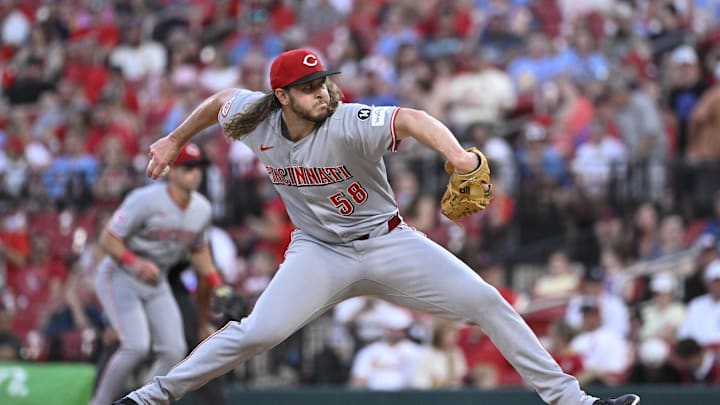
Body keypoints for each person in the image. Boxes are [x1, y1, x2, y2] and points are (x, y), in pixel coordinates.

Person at [116, 48, 639, 405]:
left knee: (487, 302)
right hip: (317, 252)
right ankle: (151, 396)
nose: (323, 92)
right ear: (282, 97)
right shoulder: (255, 118)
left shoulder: (346, 120)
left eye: (324, 81)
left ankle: (574, 401)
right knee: (259, 332)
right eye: (309, 87)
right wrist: (173, 138)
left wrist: (457, 156)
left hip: (387, 242)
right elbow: (217, 101)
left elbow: (410, 118)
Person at [91, 143, 228, 405]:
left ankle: (141, 401)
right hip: (121, 274)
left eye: (198, 168)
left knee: (174, 349)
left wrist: (217, 285)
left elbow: (199, 251)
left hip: (157, 279)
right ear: (173, 171)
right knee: (136, 346)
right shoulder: (145, 199)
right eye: (188, 168)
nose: (195, 173)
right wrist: (134, 262)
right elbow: (107, 239)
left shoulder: (202, 209)